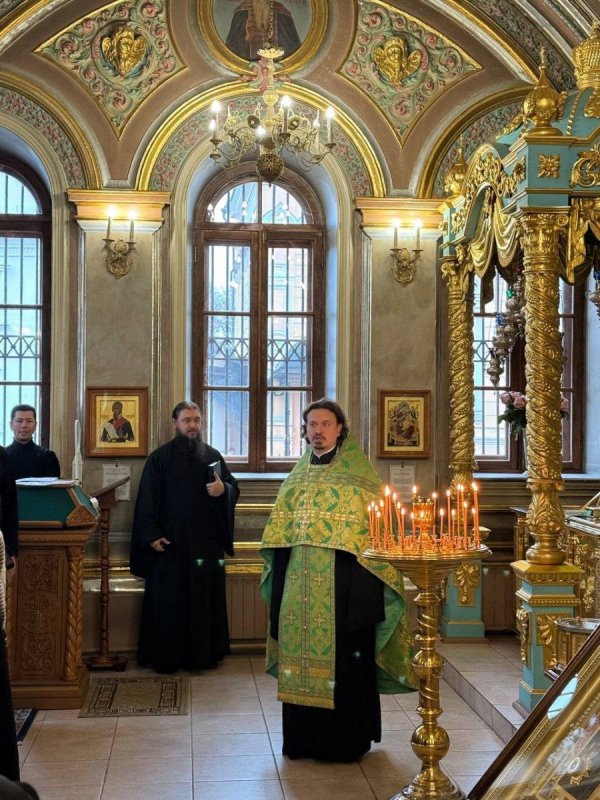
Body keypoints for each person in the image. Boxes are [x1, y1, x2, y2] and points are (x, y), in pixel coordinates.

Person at [260, 398, 416, 762]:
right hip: (297, 590)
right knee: (299, 660)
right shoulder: (296, 478)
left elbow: (379, 531)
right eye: (312, 424)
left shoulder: (361, 476)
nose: (318, 431)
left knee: (348, 660)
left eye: (325, 424)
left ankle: (346, 742)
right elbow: (279, 536)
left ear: (340, 428)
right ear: (305, 431)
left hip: (346, 591)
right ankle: (302, 741)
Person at [130, 401, 239, 673]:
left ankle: (202, 657)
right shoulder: (159, 459)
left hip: (205, 546)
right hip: (170, 547)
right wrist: (152, 535)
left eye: (197, 420)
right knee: (169, 604)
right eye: (187, 420)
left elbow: (232, 487)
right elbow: (146, 500)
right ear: (175, 423)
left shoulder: (212, 456)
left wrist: (223, 490)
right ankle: (167, 658)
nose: (193, 425)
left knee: (202, 603)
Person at [225, 0, 302, 60]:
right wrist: (247, 38)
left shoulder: (282, 12)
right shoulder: (241, 12)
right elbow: (230, 53)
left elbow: (294, 52)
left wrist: (277, 52)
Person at [6, 405, 60, 480]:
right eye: (19, 421)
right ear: (11, 425)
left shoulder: (48, 457)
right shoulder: (2, 456)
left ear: (35, 425)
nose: (24, 425)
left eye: (29, 421)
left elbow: (52, 485)